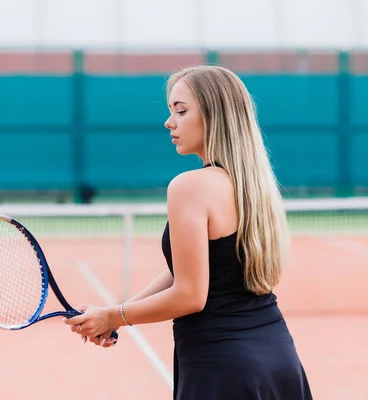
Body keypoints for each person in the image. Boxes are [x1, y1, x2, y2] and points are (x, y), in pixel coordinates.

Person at [63, 65, 312, 399]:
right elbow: (186, 271)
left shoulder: (189, 187)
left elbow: (190, 295)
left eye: (180, 110)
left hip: (223, 370)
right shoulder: (255, 186)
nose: (170, 122)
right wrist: (113, 318)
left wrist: (113, 314)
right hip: (279, 359)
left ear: (214, 116)